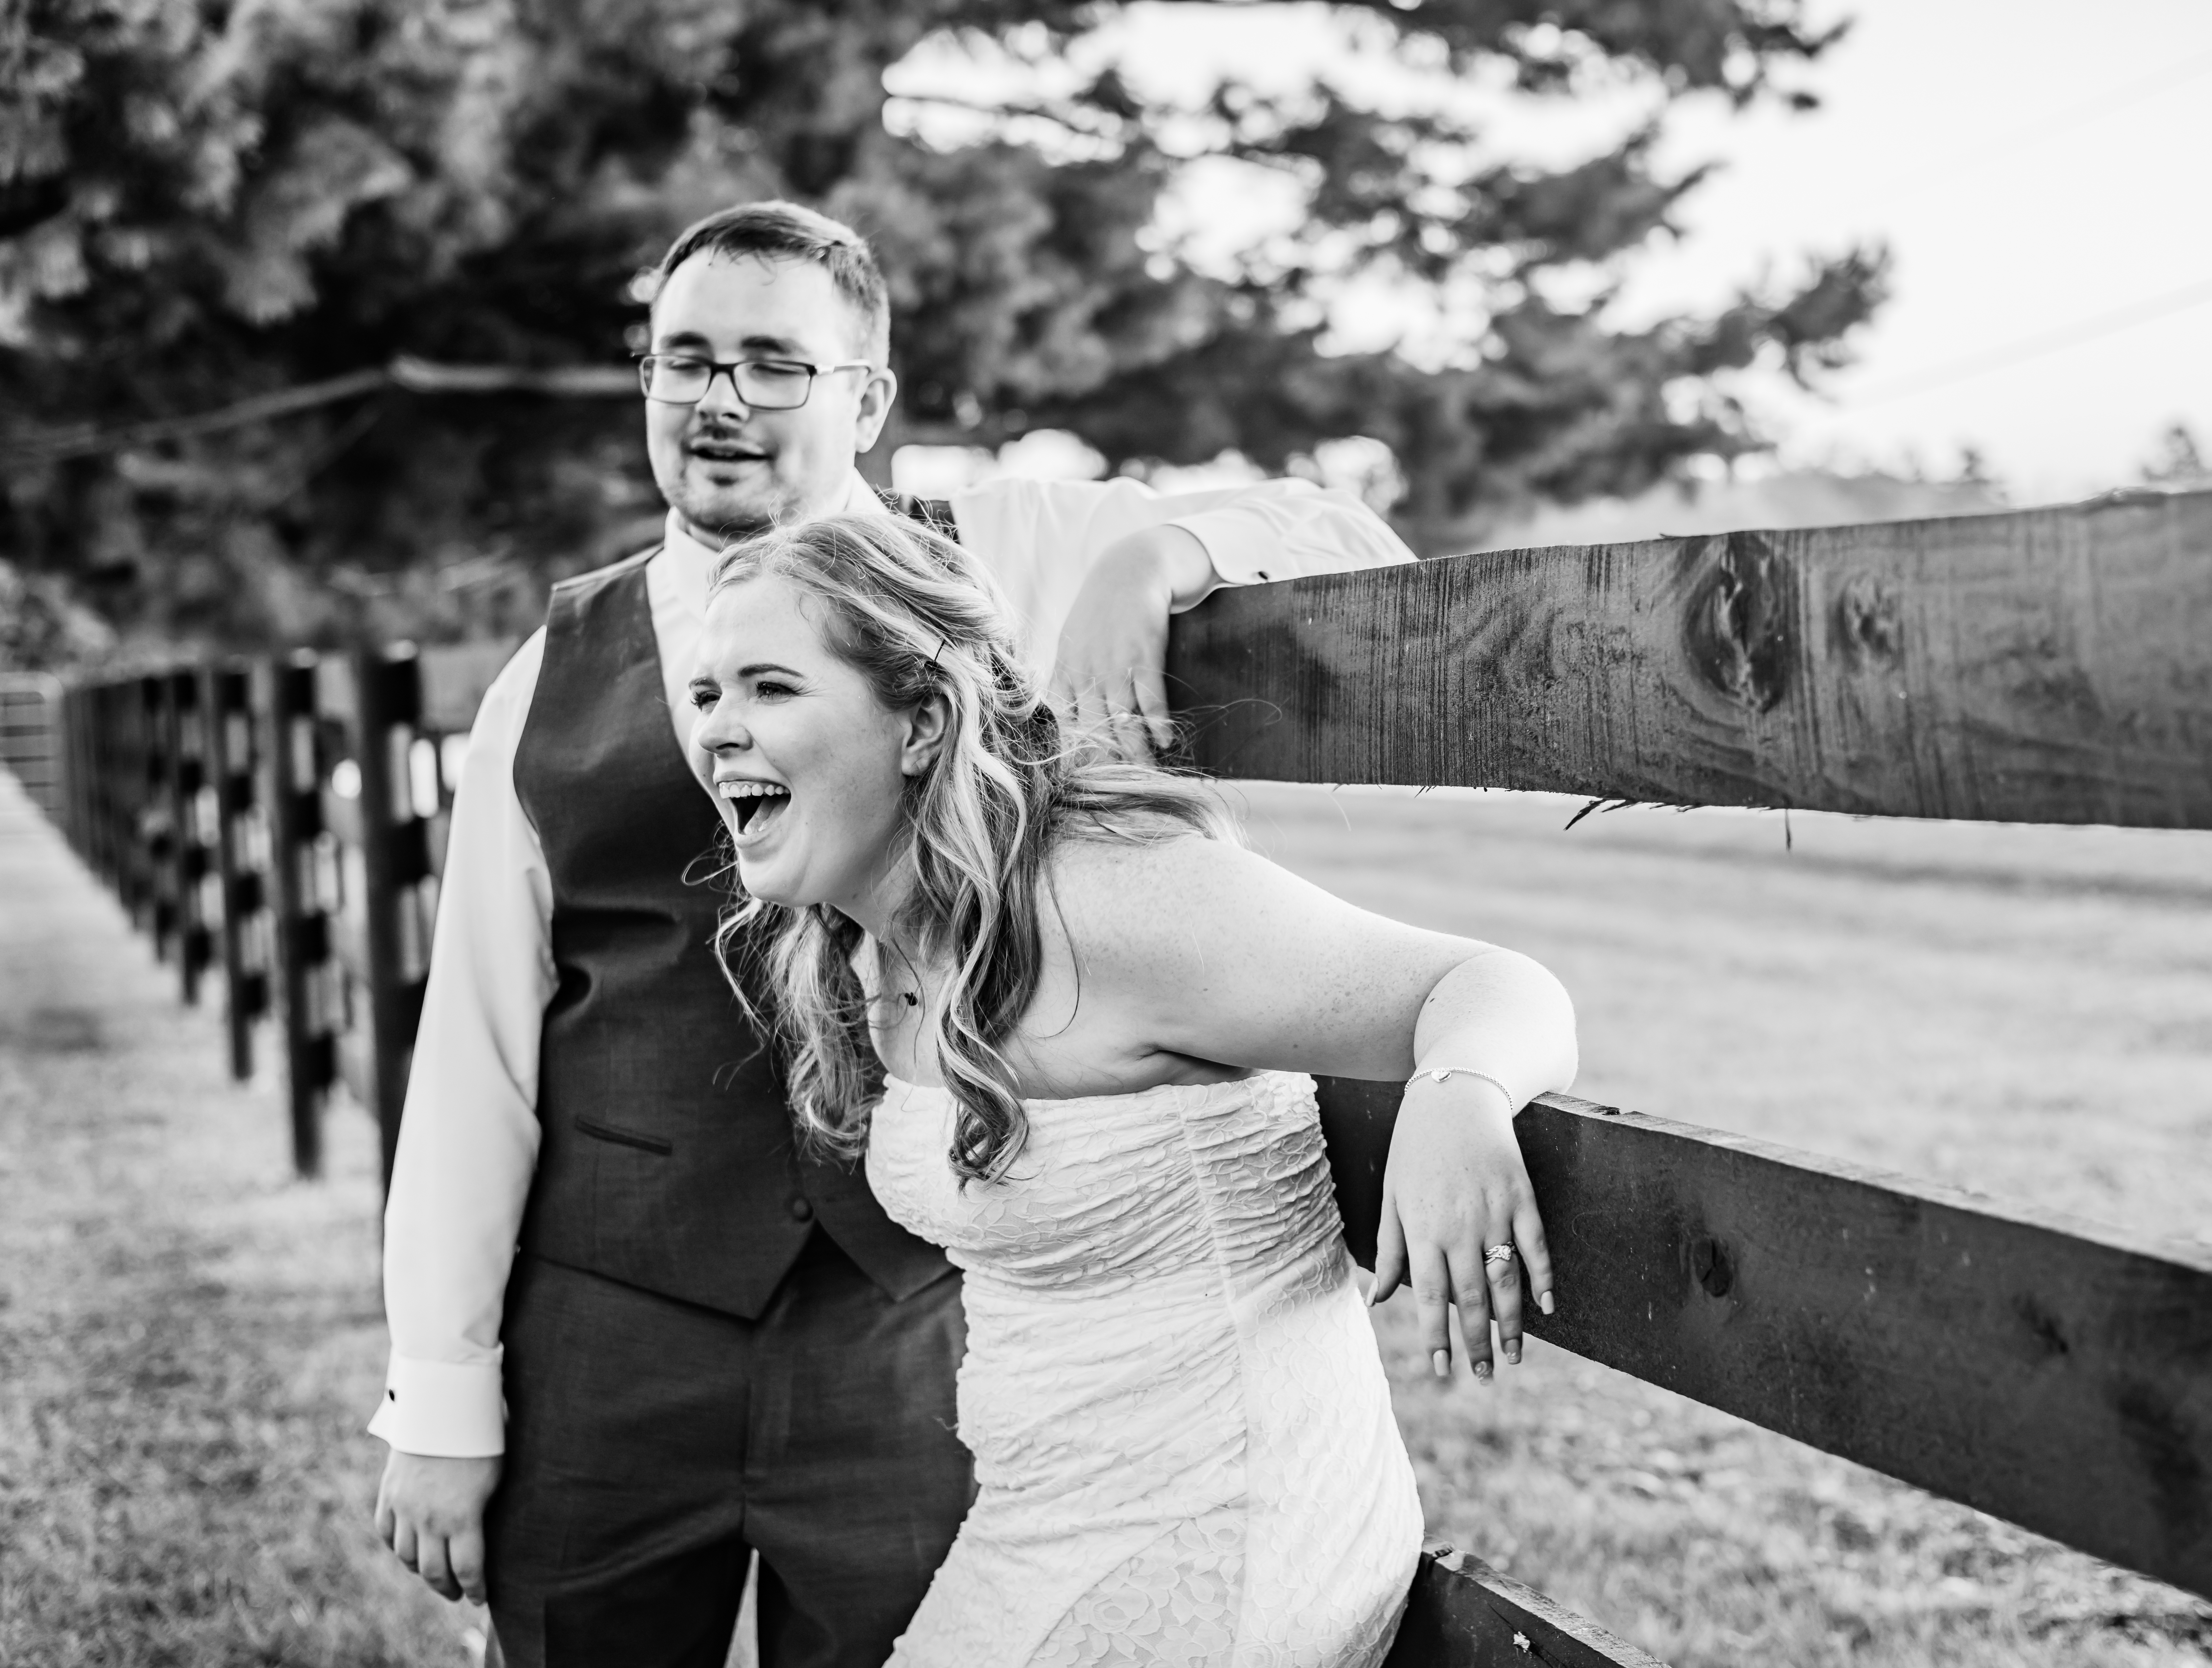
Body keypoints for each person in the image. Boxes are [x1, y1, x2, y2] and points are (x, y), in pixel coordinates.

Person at [368, 200, 1417, 1668]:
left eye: (774, 364)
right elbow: (474, 1054)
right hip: (611, 1333)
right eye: (684, 359)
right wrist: (440, 1395)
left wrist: (1155, 557)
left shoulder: (1003, 563)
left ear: (867, 398)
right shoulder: (546, 677)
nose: (720, 400)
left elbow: (1349, 535)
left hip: (913, 1331)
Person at [689, 510, 1576, 1667]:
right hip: (1041, 1522)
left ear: (923, 723)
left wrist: (1457, 1091)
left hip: (1226, 1530)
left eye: (769, 687)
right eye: (706, 694)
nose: (719, 730)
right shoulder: (873, 944)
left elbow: (1492, 982)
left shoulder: (1104, 900)